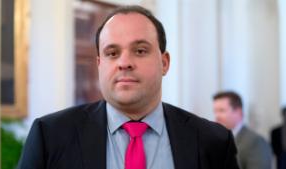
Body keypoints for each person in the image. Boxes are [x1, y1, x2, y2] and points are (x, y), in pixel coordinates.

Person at [17, 5, 240, 169]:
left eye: (140, 50)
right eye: (112, 53)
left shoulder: (214, 141)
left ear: (164, 63)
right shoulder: (51, 136)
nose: (124, 62)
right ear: (99, 64)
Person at [213, 91, 272, 169]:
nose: (217, 116)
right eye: (215, 111)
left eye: (222, 110)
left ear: (238, 112)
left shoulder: (256, 141)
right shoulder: (215, 140)